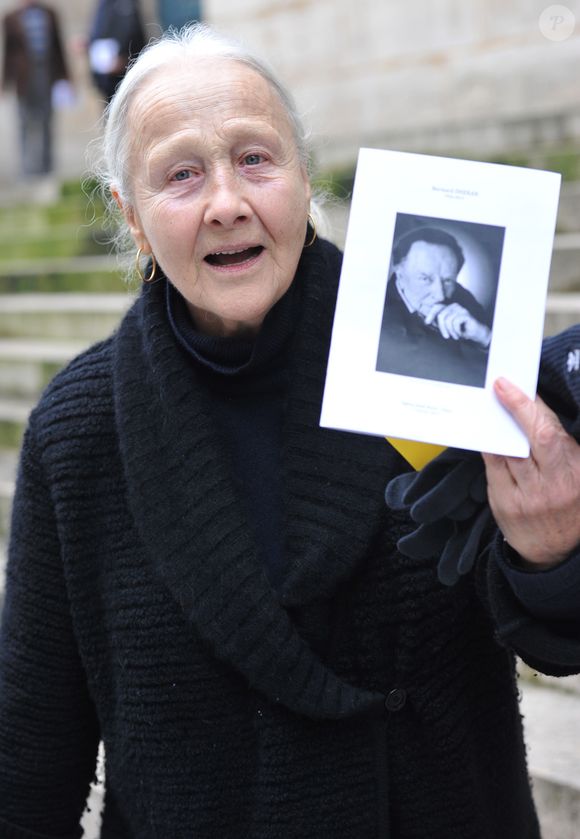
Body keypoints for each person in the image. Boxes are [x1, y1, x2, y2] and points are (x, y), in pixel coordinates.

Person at [0, 23, 579, 839]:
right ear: (132, 218)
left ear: (304, 179)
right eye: (182, 174)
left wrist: (551, 553)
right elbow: (31, 758)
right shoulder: (77, 430)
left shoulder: (444, 362)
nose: (227, 203)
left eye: (255, 159)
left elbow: (558, 640)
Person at [376, 226, 493, 386]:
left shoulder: (460, 296)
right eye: (425, 278)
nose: (440, 295)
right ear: (399, 273)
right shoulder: (377, 313)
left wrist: (484, 336)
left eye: (447, 280)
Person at [1, 0, 70, 177]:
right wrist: (5, 82)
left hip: (46, 73)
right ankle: (28, 168)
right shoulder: (11, 18)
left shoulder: (49, 14)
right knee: (25, 121)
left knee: (46, 119)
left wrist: (65, 76)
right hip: (24, 78)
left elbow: (58, 48)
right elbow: (8, 52)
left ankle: (47, 167)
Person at [87, 0, 146, 103]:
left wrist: (124, 57)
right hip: (105, 73)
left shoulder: (125, 4)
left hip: (123, 70)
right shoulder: (103, 4)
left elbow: (132, 32)